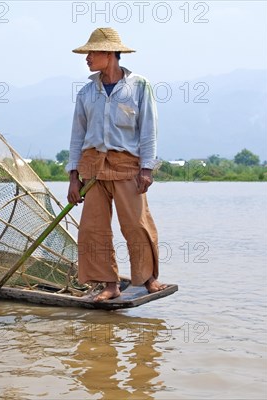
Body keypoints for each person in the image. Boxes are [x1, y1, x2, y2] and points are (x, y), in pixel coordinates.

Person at [66, 27, 167, 302]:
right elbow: (77, 137)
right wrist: (73, 177)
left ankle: (147, 278)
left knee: (136, 223)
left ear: (109, 54)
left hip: (126, 165)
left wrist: (147, 168)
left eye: (91, 53)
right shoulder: (87, 93)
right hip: (92, 167)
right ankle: (109, 284)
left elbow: (148, 130)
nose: (86, 58)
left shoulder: (139, 86)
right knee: (93, 228)